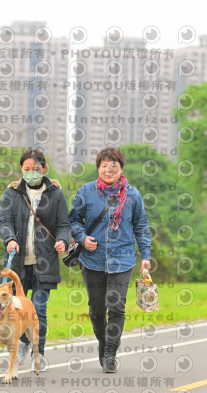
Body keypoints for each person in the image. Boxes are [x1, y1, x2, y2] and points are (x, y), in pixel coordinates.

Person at [69, 147, 151, 373]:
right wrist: (82, 238)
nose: (109, 170)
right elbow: (73, 220)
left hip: (122, 259)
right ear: (98, 168)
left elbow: (142, 226)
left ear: (121, 168)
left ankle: (110, 353)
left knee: (116, 307)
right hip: (92, 259)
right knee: (96, 309)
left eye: (114, 166)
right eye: (104, 165)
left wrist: (145, 255)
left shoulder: (133, 195)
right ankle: (103, 343)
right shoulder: (86, 192)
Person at [0, 149, 71, 369]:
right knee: (17, 310)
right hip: (17, 264)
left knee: (38, 309)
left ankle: (38, 354)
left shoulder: (56, 194)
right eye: (27, 169)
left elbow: (63, 225)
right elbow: (4, 222)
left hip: (44, 263)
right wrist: (10, 239)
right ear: (21, 169)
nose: (31, 173)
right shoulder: (12, 193)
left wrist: (62, 240)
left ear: (44, 169)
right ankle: (23, 343)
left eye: (36, 169)